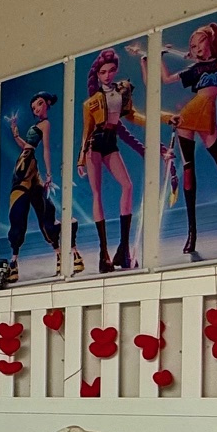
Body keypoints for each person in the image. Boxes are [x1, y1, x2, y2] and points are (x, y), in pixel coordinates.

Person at [161, 21, 217, 260]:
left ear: (209, 41)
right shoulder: (195, 69)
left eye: (200, 43)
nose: (197, 49)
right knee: (189, 170)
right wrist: (156, 56)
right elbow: (166, 79)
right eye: (193, 46)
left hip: (207, 117)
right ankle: (192, 233)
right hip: (188, 117)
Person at [76, 48, 146, 271]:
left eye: (111, 70)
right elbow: (86, 132)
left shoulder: (122, 91)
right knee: (97, 194)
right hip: (94, 144)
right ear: (97, 74)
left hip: (111, 142)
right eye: (103, 72)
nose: (107, 75)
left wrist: (161, 118)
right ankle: (103, 252)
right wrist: (80, 159)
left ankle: (123, 249)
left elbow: (133, 116)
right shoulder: (90, 103)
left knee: (128, 185)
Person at [4, 91, 61, 275]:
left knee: (44, 209)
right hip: (23, 164)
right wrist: (15, 132)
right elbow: (26, 146)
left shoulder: (45, 124)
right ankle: (14, 260)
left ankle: (59, 253)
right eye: (34, 107)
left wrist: (49, 174)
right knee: (18, 212)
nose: (36, 109)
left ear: (47, 104)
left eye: (39, 104)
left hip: (29, 166)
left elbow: (46, 149)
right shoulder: (36, 126)